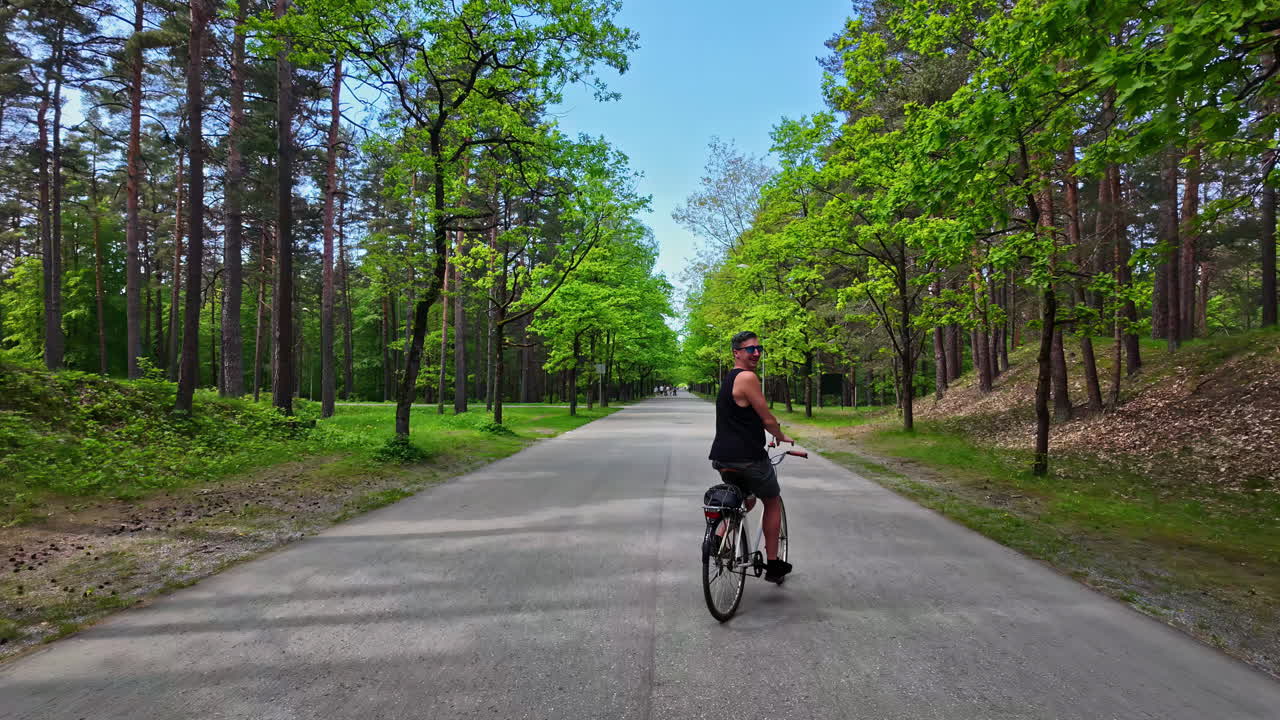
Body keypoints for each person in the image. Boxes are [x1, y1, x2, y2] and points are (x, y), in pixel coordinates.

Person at [708, 330, 793, 583]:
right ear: (736, 353)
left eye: (759, 349)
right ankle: (774, 563)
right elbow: (766, 417)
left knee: (745, 500)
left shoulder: (729, 378)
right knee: (772, 499)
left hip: (723, 457)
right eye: (750, 349)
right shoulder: (747, 377)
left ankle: (718, 538)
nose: (756, 353)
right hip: (749, 458)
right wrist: (780, 435)